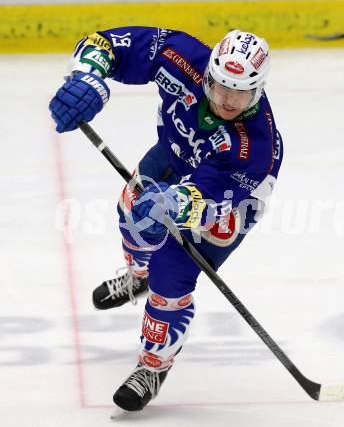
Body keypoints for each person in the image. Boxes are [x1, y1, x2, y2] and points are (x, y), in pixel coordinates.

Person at [49, 26, 283, 412]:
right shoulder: (181, 55)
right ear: (208, 72)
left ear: (257, 90)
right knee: (130, 210)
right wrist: (88, 77)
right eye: (221, 86)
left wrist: (175, 203)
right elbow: (105, 43)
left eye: (240, 93)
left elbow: (211, 201)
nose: (227, 100)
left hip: (231, 200)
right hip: (175, 154)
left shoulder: (254, 146)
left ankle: (153, 366)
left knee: (171, 273)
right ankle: (137, 275)